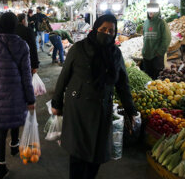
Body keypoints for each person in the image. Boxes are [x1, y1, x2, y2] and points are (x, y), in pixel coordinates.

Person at [51, 15, 137, 179]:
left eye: (111, 31)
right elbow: (64, 77)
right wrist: (56, 103)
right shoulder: (79, 48)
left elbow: (122, 85)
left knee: (97, 152)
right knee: (78, 153)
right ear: (95, 28)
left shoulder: (115, 54)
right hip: (78, 108)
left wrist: (131, 110)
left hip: (101, 109)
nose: (107, 33)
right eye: (103, 29)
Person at [0, 12, 36, 179]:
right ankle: (14, 144)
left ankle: (1, 166)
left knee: (0, 129)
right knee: (13, 117)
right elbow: (26, 75)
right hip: (17, 92)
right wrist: (30, 98)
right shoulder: (22, 45)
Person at [142, 10, 171, 79]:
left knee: (157, 79)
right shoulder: (146, 22)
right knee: (147, 78)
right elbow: (144, 37)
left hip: (156, 56)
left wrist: (160, 52)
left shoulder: (161, 23)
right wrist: (144, 50)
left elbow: (167, 38)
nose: (150, 11)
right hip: (146, 56)